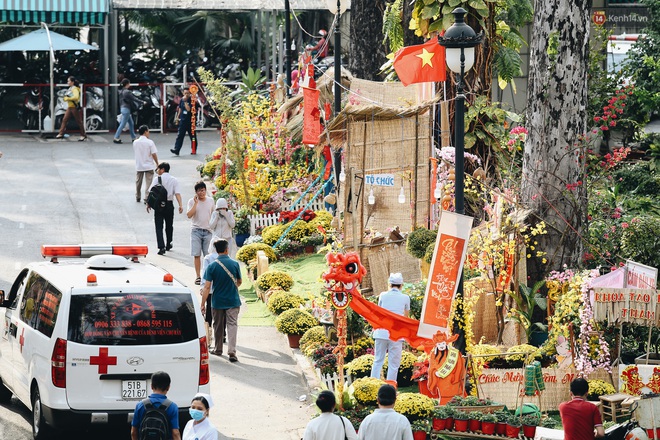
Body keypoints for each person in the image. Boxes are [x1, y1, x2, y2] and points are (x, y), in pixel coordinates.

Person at [200, 239, 242, 362]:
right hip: (233, 300)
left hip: (217, 301)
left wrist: (203, 303)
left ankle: (218, 349)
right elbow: (239, 281)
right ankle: (232, 351)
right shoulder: (234, 264)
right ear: (226, 249)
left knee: (217, 325)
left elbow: (207, 287)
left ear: (217, 251)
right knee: (232, 325)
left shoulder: (212, 266)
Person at [370, 273, 410, 384]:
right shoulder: (405, 298)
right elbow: (406, 318)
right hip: (396, 334)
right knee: (394, 363)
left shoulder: (383, 295)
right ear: (401, 285)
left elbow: (380, 311)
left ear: (390, 284)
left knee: (378, 360)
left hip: (381, 332)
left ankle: (373, 383)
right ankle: (391, 386)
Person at [131, 371, 181, 440]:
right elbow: (175, 433)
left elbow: (133, 432)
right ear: (168, 387)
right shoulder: (172, 406)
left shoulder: (140, 405)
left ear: (151, 386)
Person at [147, 162, 183, 255]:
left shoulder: (157, 179)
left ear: (163, 169)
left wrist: (149, 204)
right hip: (169, 204)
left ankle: (161, 247)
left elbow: (151, 193)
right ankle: (168, 243)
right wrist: (180, 205)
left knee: (159, 226)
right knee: (169, 225)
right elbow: (177, 193)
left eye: (158, 169)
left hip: (158, 205)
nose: (157, 171)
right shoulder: (174, 180)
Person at [187, 181, 214, 284]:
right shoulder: (191, 201)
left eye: (203, 190)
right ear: (196, 192)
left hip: (208, 231)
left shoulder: (211, 201)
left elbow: (213, 214)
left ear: (205, 190)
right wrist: (195, 203)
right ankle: (198, 276)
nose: (201, 193)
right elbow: (189, 215)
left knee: (208, 254)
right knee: (196, 254)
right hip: (196, 230)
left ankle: (207, 276)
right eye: (199, 191)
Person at [133, 125, 159, 204]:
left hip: (139, 165)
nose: (149, 133)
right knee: (149, 182)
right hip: (148, 165)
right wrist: (157, 163)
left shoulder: (135, 142)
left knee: (138, 182)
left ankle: (138, 196)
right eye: (148, 131)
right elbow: (154, 154)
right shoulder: (150, 142)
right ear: (145, 132)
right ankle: (147, 197)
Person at [56, 76, 87, 141]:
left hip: (74, 107)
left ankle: (83, 135)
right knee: (65, 119)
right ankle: (61, 133)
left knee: (78, 121)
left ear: (72, 82)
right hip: (70, 106)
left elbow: (76, 97)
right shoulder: (71, 88)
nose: (68, 82)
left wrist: (67, 98)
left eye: (69, 81)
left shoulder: (74, 89)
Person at [170, 88, 197, 156]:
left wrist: (185, 102)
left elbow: (188, 109)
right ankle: (177, 149)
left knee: (192, 136)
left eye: (187, 93)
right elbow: (180, 108)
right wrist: (177, 117)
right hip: (183, 120)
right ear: (183, 93)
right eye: (185, 93)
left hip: (190, 121)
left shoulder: (192, 100)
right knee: (180, 135)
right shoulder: (182, 99)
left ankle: (193, 149)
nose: (186, 94)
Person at [114, 78, 140, 144]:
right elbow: (134, 98)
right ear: (127, 84)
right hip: (126, 109)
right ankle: (116, 137)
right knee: (123, 124)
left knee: (131, 123)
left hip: (123, 108)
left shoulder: (121, 91)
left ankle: (133, 137)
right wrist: (142, 102)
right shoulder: (127, 92)